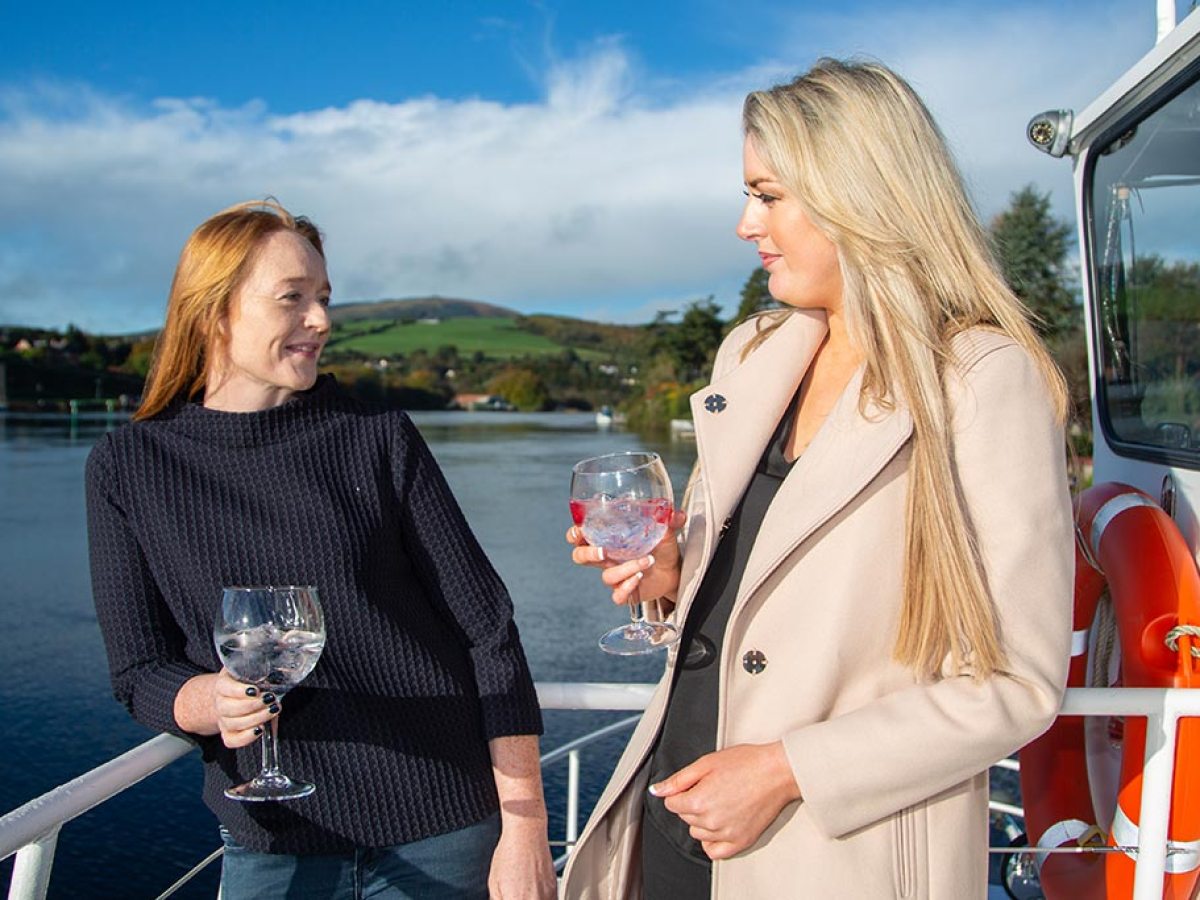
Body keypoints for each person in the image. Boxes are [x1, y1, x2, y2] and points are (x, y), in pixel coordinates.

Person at [562, 59, 1074, 899]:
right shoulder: (754, 354)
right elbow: (748, 584)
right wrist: (669, 576)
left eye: (767, 195)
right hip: (678, 810)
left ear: (859, 196)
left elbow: (1015, 683)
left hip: (829, 846)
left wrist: (782, 771)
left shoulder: (982, 378)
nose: (743, 224)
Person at [85, 200, 556, 899]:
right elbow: (137, 671)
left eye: (324, 298)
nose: (322, 321)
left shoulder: (375, 438)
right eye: (293, 299)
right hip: (272, 844)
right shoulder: (128, 466)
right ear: (213, 311)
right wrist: (204, 700)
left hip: (445, 834)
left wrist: (525, 831)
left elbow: (487, 629)